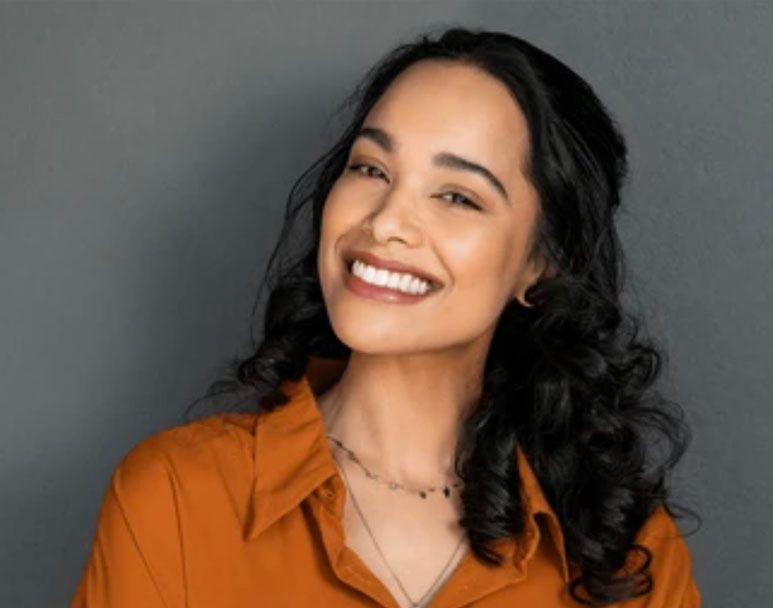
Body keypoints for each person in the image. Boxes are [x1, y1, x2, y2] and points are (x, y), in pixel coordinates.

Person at [70, 26, 701, 607]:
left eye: (458, 196)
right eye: (371, 169)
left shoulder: (631, 555)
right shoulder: (175, 497)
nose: (385, 222)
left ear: (541, 263)